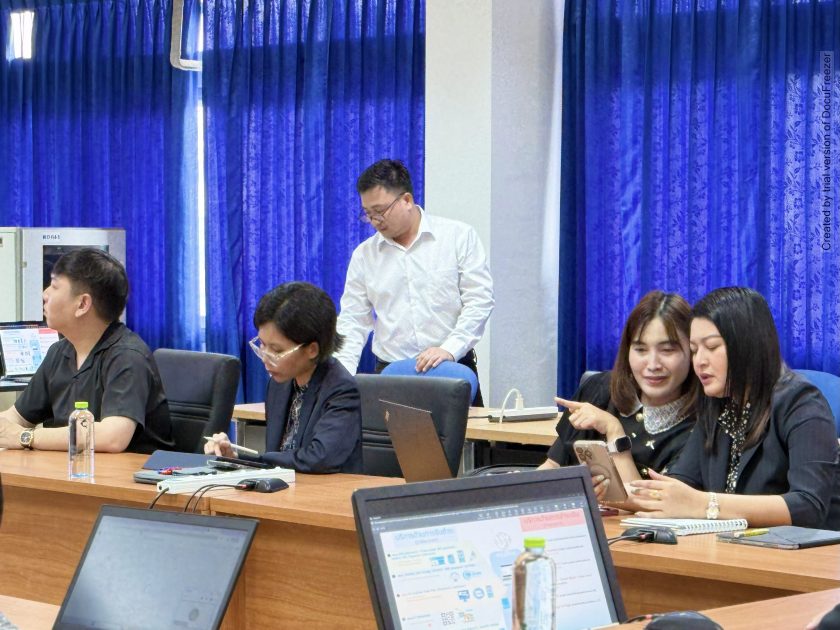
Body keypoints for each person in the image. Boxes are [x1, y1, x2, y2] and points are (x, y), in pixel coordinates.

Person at [624, 287, 840, 529]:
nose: (699, 361)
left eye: (712, 347)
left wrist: (706, 504)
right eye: (694, 350)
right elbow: (681, 486)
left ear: (747, 345)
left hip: (805, 550)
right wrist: (612, 493)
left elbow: (809, 506)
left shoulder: (801, 402)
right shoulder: (716, 404)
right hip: (733, 546)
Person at [334, 159, 494, 405]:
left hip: (451, 368)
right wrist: (340, 378)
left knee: (466, 431)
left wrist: (450, 348)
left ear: (406, 200)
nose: (375, 221)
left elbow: (479, 300)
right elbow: (353, 320)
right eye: (368, 214)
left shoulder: (457, 237)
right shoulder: (364, 255)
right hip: (391, 374)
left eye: (380, 211)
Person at [0, 248, 173, 453]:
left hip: (129, 472)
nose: (44, 294)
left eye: (54, 286)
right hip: (70, 468)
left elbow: (112, 438)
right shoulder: (59, 352)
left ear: (82, 304)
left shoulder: (128, 356)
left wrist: (25, 437)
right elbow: (15, 418)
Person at [540, 291, 699, 491]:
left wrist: (614, 431)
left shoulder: (702, 428)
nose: (652, 364)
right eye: (640, 349)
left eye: (667, 350)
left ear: (692, 352)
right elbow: (552, 466)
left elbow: (650, 502)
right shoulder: (599, 389)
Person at [206, 282, 362, 473]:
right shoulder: (279, 384)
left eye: (277, 350)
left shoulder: (341, 389)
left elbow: (319, 458)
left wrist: (253, 461)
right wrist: (234, 459)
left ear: (312, 349)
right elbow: (278, 456)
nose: (265, 358)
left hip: (326, 489)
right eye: (262, 345)